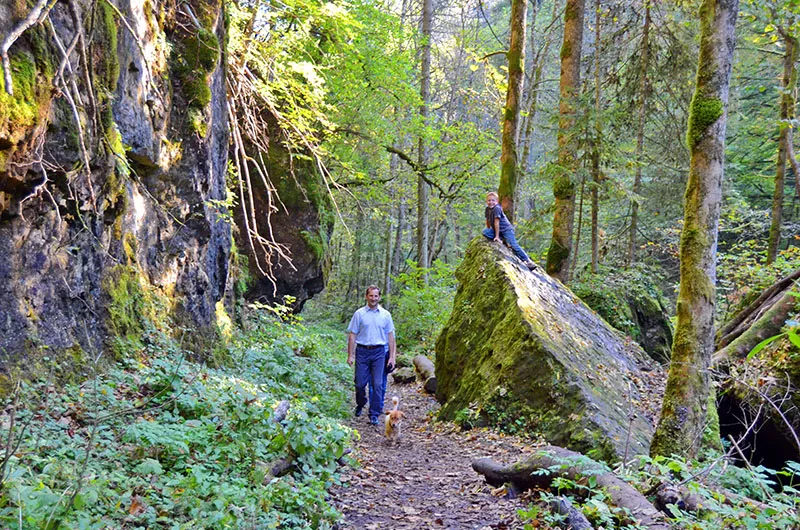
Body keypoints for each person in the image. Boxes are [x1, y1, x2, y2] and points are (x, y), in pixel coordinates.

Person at [347, 285, 397, 425]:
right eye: (371, 296)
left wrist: (392, 357)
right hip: (362, 351)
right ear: (366, 296)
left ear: (379, 297)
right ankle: (361, 403)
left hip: (379, 352)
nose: (373, 298)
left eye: (376, 296)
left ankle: (374, 414)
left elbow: (390, 336)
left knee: (377, 383)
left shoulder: (385, 315)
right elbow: (352, 335)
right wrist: (350, 355)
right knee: (360, 383)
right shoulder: (359, 314)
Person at [483, 191, 537, 270]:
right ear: (486, 201)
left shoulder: (497, 208)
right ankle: (503, 239)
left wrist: (497, 237)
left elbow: (496, 223)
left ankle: (528, 261)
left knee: (514, 245)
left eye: (493, 200)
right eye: (489, 200)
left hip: (506, 230)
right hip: (497, 230)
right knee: (485, 232)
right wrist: (489, 229)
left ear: (497, 201)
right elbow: (487, 220)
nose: (491, 202)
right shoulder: (488, 209)